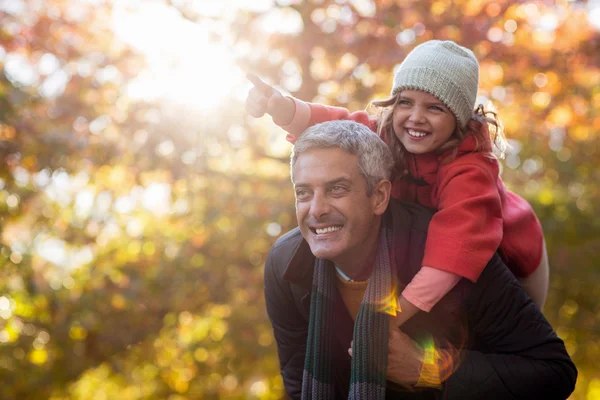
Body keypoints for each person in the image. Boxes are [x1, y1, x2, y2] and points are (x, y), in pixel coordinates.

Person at [249, 40, 549, 331]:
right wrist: (284, 109)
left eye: (434, 108)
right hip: (436, 244)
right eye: (406, 102)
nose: (416, 118)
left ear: (457, 118)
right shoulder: (386, 133)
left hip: (515, 252)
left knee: (513, 328)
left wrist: (392, 316)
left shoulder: (470, 169)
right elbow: (338, 124)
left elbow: (454, 252)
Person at [264, 119, 576, 399]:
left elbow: (554, 372)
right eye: (303, 193)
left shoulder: (451, 257)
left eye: (337, 189)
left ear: (380, 197)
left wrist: (426, 370)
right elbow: (297, 378)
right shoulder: (285, 263)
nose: (316, 210)